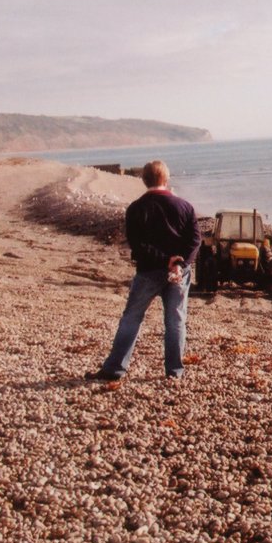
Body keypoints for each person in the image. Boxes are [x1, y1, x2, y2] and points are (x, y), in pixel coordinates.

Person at [87, 160, 201, 380]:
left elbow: (138, 246)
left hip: (148, 271)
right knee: (175, 320)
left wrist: (168, 261)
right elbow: (195, 241)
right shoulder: (185, 207)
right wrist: (178, 263)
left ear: (144, 180)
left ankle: (115, 368)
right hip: (178, 272)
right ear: (166, 179)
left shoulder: (136, 208)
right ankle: (174, 372)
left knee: (132, 318)